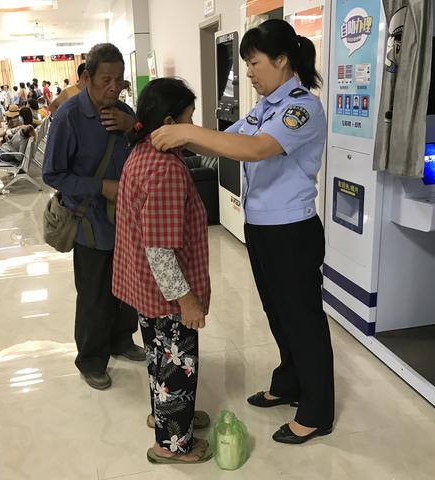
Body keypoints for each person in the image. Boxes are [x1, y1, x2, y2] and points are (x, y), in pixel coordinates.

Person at [151, 19, 334, 445]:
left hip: (292, 231)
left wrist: (187, 132)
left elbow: (254, 149)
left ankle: (317, 409)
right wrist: (178, 139)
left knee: (303, 319)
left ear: (282, 60)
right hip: (264, 229)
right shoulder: (265, 106)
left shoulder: (302, 107)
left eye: (253, 63)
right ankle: (289, 382)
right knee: (277, 312)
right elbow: (225, 139)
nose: (247, 72)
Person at [113, 78, 213, 464]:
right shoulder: (165, 168)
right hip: (167, 294)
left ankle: (168, 416)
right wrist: (186, 301)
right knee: (177, 366)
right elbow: (160, 250)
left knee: (160, 358)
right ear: (170, 121)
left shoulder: (139, 153)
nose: (193, 125)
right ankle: (173, 444)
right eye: (189, 118)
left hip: (146, 291)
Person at [42, 42, 144, 391]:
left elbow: (145, 142)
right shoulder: (69, 117)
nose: (113, 87)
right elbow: (53, 174)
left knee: (127, 289)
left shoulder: (124, 110)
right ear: (86, 77)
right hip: (89, 221)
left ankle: (122, 339)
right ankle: (91, 359)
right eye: (105, 80)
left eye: (119, 80)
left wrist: (132, 125)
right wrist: (101, 187)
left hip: (127, 222)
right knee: (95, 295)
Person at [0, 123, 35, 189]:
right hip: (5, 150)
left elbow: (19, 158)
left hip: (9, 155)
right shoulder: (20, 130)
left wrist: (10, 144)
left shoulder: (23, 141)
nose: (19, 129)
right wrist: (9, 134)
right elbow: (10, 130)